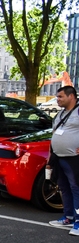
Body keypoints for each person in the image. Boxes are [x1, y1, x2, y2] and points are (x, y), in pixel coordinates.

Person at [48, 85, 79, 235]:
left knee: (76, 189)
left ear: (71, 96)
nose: (58, 99)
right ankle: (68, 217)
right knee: (64, 188)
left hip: (74, 158)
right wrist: (49, 160)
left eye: (61, 96)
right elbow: (53, 136)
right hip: (59, 157)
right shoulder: (59, 114)